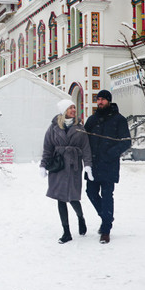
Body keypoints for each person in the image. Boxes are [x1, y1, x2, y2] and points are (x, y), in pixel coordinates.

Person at [40, 99, 94, 244]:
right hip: (58, 166)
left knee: (73, 197)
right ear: (64, 111)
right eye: (71, 108)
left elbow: (86, 148)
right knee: (60, 198)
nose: (74, 110)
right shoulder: (53, 128)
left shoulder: (79, 128)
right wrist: (43, 165)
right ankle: (66, 232)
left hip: (73, 166)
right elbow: (47, 148)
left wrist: (88, 165)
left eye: (74, 108)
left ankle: (80, 218)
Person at [84, 90, 131, 244]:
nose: (100, 102)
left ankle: (105, 230)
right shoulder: (91, 120)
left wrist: (110, 153)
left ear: (109, 101)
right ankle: (107, 217)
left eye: (103, 99)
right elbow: (84, 140)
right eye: (98, 99)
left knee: (107, 196)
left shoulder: (119, 120)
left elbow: (126, 141)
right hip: (93, 164)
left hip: (109, 165)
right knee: (90, 192)